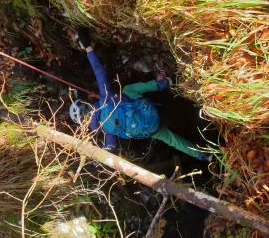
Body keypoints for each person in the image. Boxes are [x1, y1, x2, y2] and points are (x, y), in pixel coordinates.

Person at [70, 29, 209, 161]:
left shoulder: (105, 130)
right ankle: (164, 83)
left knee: (172, 140)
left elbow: (111, 147)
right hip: (149, 111)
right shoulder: (105, 99)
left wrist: (97, 155)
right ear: (85, 104)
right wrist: (88, 47)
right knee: (128, 91)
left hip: (151, 129)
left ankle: (203, 156)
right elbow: (100, 72)